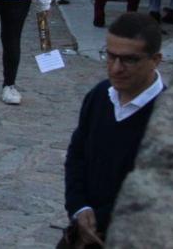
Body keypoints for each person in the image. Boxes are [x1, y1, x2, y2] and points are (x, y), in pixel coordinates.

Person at [62, 12, 165, 245]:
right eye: (110, 56)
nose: (116, 68)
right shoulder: (99, 96)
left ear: (155, 60)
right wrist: (79, 207)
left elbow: (153, 194)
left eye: (129, 60)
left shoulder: (167, 117)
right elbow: (77, 155)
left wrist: (97, 219)